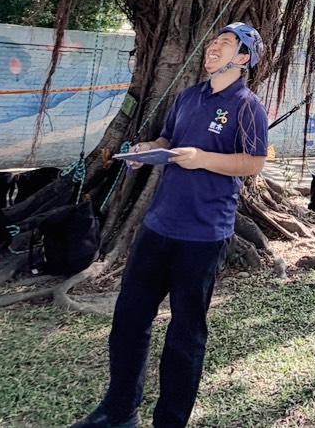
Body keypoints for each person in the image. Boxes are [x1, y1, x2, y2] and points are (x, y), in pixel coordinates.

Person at [71, 23, 270, 428]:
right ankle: (119, 410)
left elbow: (253, 163)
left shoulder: (248, 106)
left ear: (244, 59)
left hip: (203, 234)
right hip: (158, 227)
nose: (213, 48)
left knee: (185, 335)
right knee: (129, 321)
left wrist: (203, 159)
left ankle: (170, 421)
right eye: (214, 41)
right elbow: (168, 140)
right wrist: (149, 150)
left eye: (226, 44)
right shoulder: (188, 97)